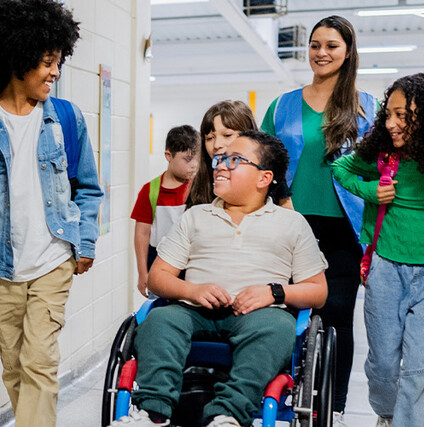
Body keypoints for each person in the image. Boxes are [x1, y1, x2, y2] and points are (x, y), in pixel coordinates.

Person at [0, 1, 102, 426]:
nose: (56, 72)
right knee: (14, 365)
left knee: (39, 362)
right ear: (18, 59)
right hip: (4, 268)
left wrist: (84, 241)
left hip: (53, 261)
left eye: (58, 62)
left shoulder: (66, 119)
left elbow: (89, 188)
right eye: (48, 62)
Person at [110, 131, 328, 427]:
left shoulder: (292, 224)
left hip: (259, 315)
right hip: (192, 311)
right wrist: (193, 289)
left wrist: (274, 293)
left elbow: (318, 291)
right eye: (220, 159)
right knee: (159, 322)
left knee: (278, 328)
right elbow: (157, 278)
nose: (221, 165)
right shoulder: (195, 216)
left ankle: (227, 415)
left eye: (235, 160)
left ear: (263, 178)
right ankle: (153, 412)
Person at [260, 16, 375, 423]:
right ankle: (281, 397)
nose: (321, 53)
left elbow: (378, 169)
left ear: (347, 53)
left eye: (331, 45)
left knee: (339, 319)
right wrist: (283, 198)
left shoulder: (367, 107)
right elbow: (263, 160)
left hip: (344, 227)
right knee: (283, 316)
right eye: (314, 45)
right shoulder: (283, 105)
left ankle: (336, 407)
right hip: (291, 222)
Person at [332, 73, 424, 427]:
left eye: (403, 116)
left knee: (417, 366)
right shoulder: (382, 154)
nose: (392, 123)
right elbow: (341, 167)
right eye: (389, 114)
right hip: (386, 266)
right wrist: (371, 191)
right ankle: (387, 415)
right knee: (384, 362)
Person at [131, 125, 200, 297]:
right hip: (160, 265)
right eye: (187, 159)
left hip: (192, 267)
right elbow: (142, 234)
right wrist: (142, 273)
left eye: (197, 159)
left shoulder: (199, 189)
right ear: (169, 156)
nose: (194, 165)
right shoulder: (150, 190)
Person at [186, 100, 258, 209]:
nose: (217, 145)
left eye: (227, 135)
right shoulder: (199, 186)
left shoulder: (271, 183)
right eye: (210, 138)